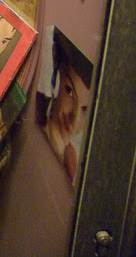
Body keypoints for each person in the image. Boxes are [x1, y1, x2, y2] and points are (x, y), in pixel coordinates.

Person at [37, 28, 92, 182]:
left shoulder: (72, 160)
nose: (74, 122)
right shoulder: (33, 115)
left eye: (86, 109)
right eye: (70, 91)